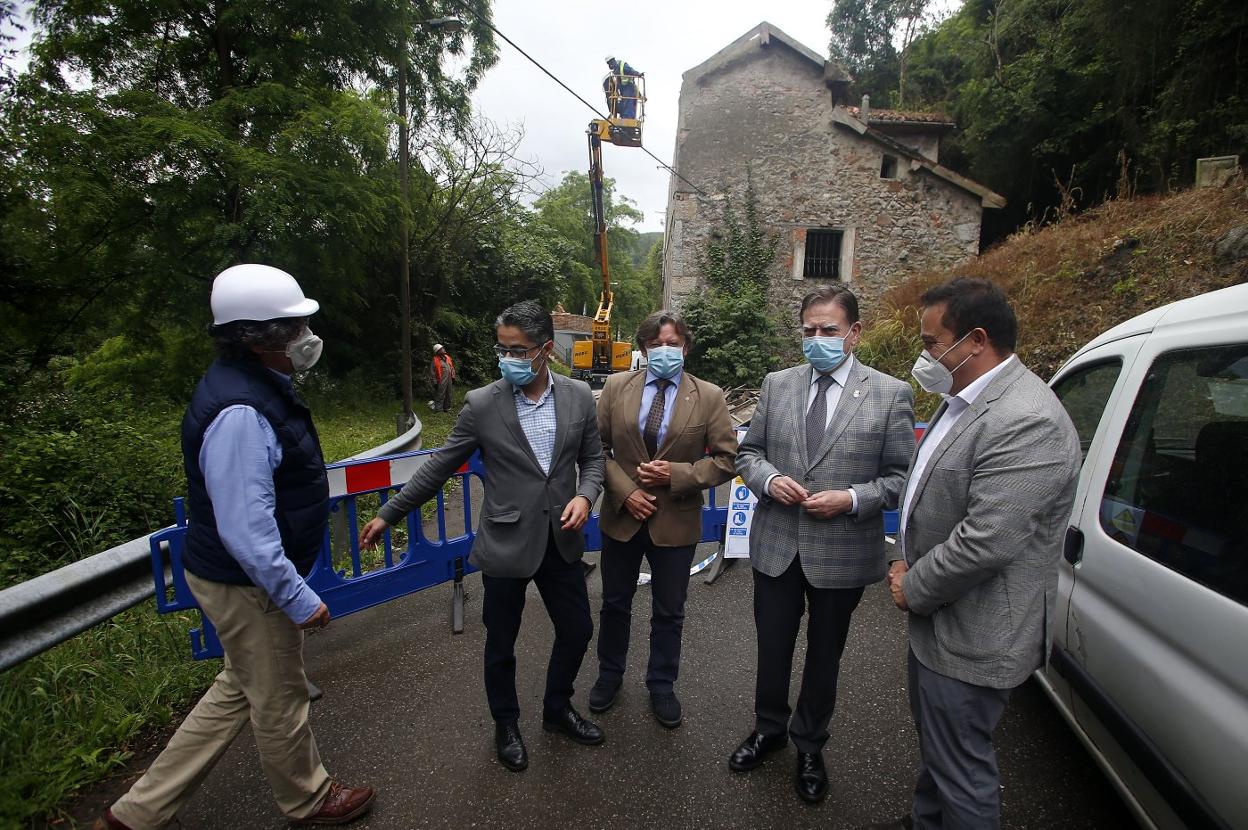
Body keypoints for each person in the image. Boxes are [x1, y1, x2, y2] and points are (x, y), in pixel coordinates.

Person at [97, 265, 374, 830]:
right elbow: (247, 532)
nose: (306, 339)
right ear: (256, 337)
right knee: (279, 696)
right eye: (293, 328)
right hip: (246, 583)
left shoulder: (252, 387)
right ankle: (309, 800)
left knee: (240, 687)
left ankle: (138, 814)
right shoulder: (242, 411)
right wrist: (297, 598)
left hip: (234, 577)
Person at [358, 300, 606, 773]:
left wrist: (587, 496)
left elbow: (593, 460)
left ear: (545, 350)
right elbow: (438, 466)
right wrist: (389, 513)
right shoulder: (481, 403)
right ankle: (506, 723)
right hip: (506, 542)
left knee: (577, 630)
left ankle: (556, 709)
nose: (508, 358)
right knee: (501, 641)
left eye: (519, 350)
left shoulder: (577, 396)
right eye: (503, 349)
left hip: (561, 538)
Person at [885, 278, 1081, 830]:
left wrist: (913, 585)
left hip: (973, 632)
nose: (924, 356)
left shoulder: (1026, 419)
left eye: (930, 342)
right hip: (942, 623)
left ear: (974, 340)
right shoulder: (962, 401)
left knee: (963, 770)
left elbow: (985, 541)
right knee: (941, 751)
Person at [731, 285, 914, 804]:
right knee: (772, 645)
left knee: (824, 654)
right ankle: (768, 729)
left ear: (854, 333)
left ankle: (810, 743)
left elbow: (901, 476)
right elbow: (750, 453)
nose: (817, 339)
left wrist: (853, 498)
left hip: (842, 548)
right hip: (776, 544)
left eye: (829, 330)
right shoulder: (777, 384)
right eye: (809, 330)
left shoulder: (889, 393)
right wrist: (767, 480)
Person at [589, 310, 737, 728]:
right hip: (622, 516)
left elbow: (727, 460)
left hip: (676, 521)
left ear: (685, 347)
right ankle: (609, 675)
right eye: (656, 345)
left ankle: (661, 684)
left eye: (673, 344)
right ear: (643, 350)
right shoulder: (617, 387)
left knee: (669, 611)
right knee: (615, 603)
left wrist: (680, 475)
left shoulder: (708, 396)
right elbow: (596, 450)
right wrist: (626, 491)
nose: (665, 351)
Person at [604, 55, 643, 120]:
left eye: (610, 63)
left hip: (629, 88)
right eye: (608, 64)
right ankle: (622, 116)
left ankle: (628, 118)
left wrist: (638, 74)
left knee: (628, 103)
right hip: (623, 90)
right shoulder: (615, 70)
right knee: (623, 103)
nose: (610, 65)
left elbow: (631, 71)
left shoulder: (622, 66)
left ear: (613, 61)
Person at [430, 343, 456, 412]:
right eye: (441, 349)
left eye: (443, 348)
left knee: (449, 394)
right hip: (441, 380)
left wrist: (453, 377)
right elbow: (432, 372)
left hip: (449, 379)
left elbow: (452, 367)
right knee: (440, 395)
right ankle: (438, 410)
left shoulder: (447, 357)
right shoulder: (435, 360)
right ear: (438, 351)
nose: (443, 349)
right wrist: (434, 382)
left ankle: (447, 408)